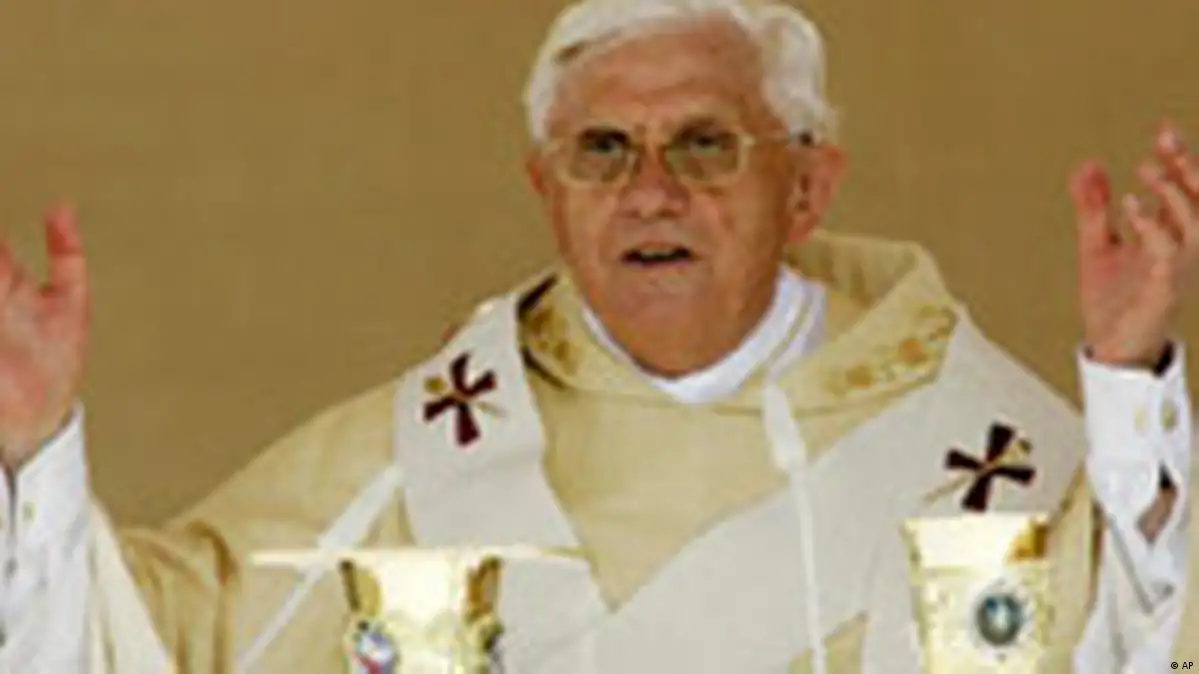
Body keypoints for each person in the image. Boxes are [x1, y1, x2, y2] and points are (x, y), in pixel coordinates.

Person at [0, 0, 1196, 671]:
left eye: (704, 144)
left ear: (807, 187)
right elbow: (133, 644)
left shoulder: (976, 453)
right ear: (546, 189)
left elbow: (1150, 640)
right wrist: (31, 444)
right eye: (602, 150)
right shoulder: (417, 461)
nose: (649, 191)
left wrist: (1129, 381)